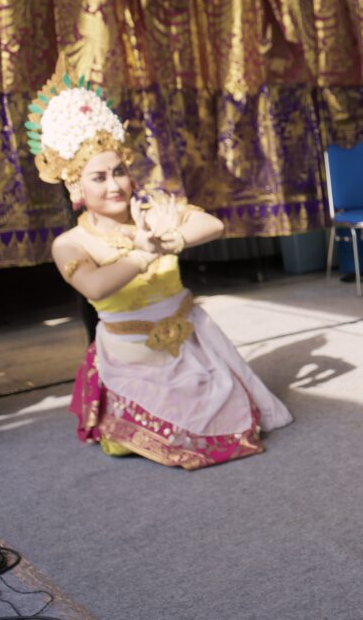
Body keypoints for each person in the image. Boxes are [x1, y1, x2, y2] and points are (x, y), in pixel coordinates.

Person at [28, 57, 292, 469]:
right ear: (75, 184)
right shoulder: (71, 243)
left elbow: (213, 224)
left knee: (232, 425)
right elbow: (96, 288)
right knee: (173, 438)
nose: (115, 185)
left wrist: (171, 236)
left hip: (191, 341)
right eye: (99, 177)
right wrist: (145, 251)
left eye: (119, 172)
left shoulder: (152, 211)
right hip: (131, 356)